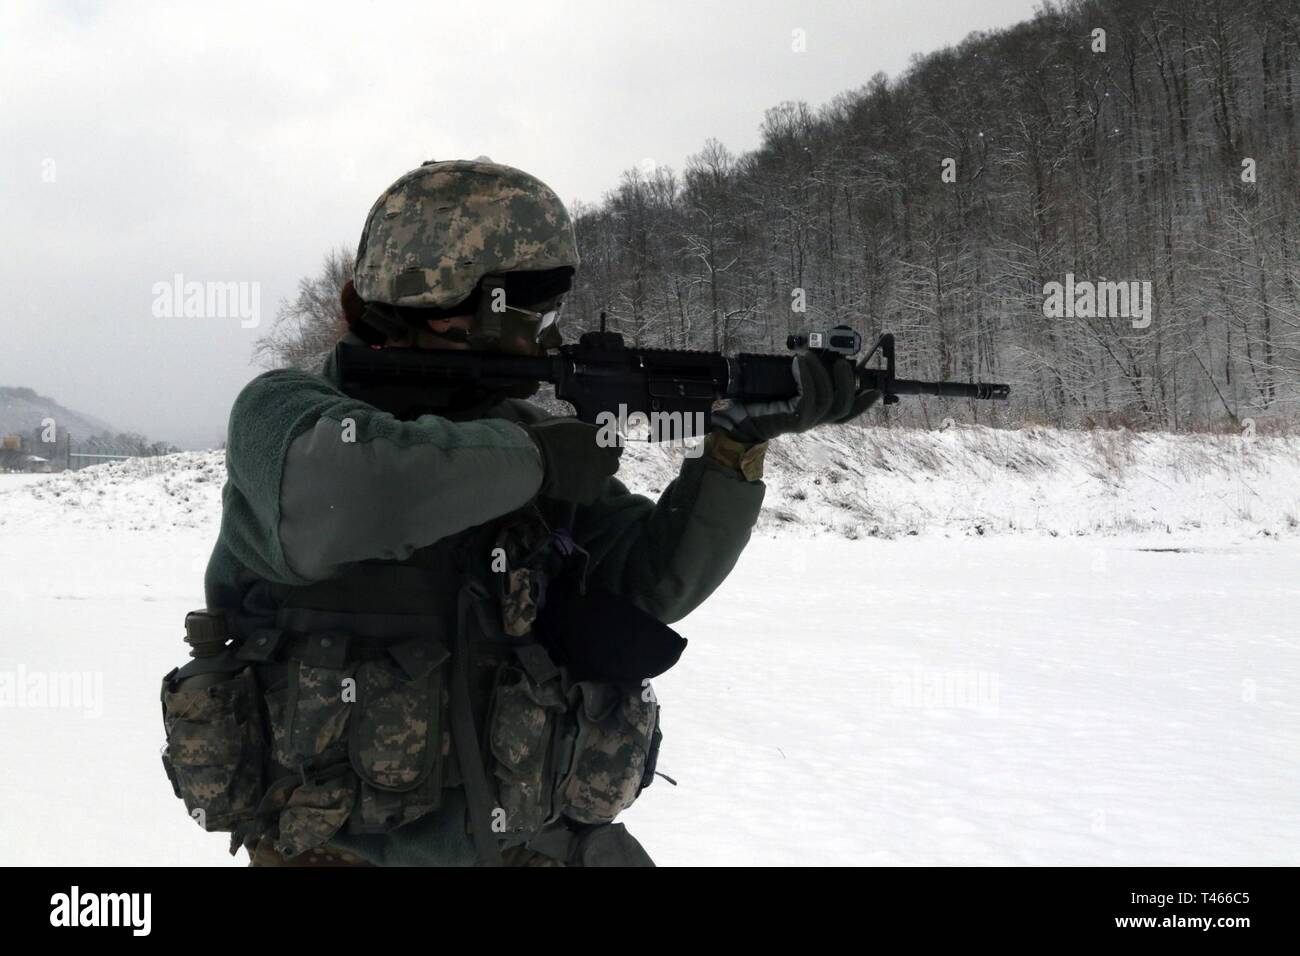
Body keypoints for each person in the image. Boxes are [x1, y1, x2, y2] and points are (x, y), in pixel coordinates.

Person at [159, 159, 877, 866]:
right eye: (532, 309)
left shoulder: (519, 430)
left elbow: (651, 582)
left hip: (526, 844)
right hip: (339, 851)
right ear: (450, 303)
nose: (544, 333)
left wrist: (735, 449)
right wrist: (536, 460)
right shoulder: (284, 414)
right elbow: (349, 494)